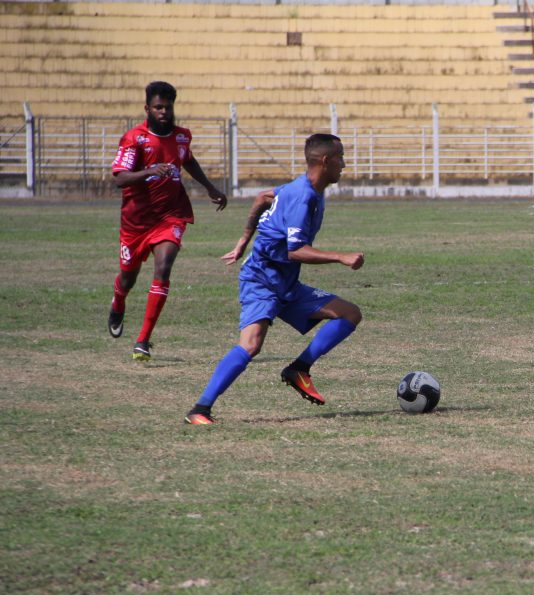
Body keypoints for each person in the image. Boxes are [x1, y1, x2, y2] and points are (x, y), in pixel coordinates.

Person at [185, 133, 363, 425]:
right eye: (341, 158)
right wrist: (341, 256)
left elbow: (262, 198)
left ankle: (299, 369)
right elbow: (296, 251)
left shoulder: (303, 188)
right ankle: (200, 409)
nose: (344, 164)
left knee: (349, 313)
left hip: (287, 284)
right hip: (261, 281)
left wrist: (244, 240)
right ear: (326, 160)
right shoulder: (303, 197)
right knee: (251, 344)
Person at [107, 81, 228, 361]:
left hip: (171, 215)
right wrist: (150, 171)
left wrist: (210, 187)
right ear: (147, 108)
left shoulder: (183, 136)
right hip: (136, 221)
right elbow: (120, 178)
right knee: (128, 277)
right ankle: (118, 301)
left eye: (168, 107)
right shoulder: (134, 138)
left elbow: (188, 160)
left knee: (164, 268)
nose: (163, 112)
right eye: (158, 107)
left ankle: (143, 340)